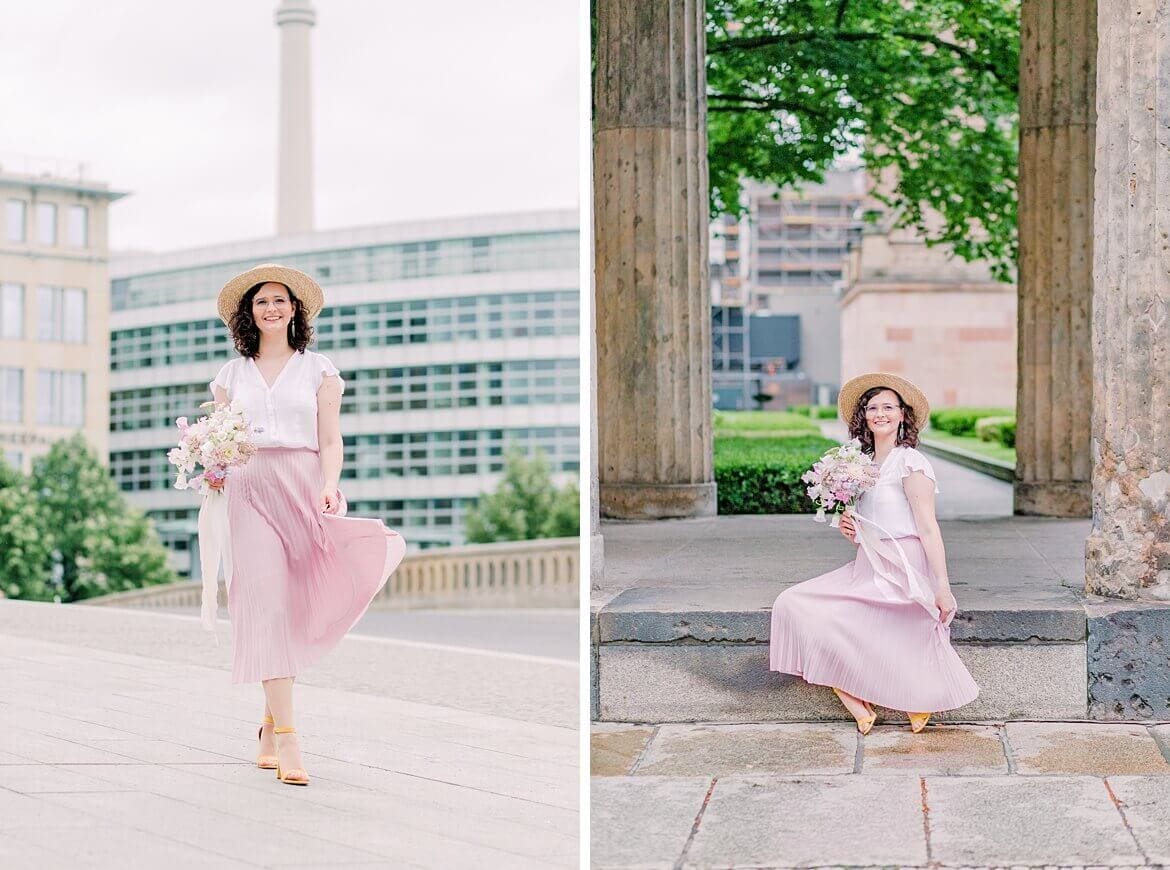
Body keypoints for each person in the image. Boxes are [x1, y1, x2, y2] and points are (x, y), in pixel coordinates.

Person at [206, 263, 407, 785]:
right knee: (267, 602)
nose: (271, 309)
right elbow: (221, 439)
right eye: (260, 302)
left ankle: (269, 723)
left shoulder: (320, 370)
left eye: (280, 300)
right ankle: (291, 740)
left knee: (296, 606)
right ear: (247, 314)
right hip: (249, 488)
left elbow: (330, 439)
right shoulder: (229, 376)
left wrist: (329, 482)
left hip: (302, 483)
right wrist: (212, 467)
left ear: (295, 309)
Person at [769, 373, 978, 734]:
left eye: (888, 407)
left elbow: (928, 527)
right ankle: (851, 693)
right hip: (867, 561)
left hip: (903, 562)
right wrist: (851, 525)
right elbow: (871, 519)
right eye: (872, 407)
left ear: (901, 415)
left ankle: (915, 701)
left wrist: (942, 585)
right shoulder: (860, 465)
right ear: (864, 416)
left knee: (888, 628)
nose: (879, 413)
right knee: (792, 602)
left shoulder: (910, 463)